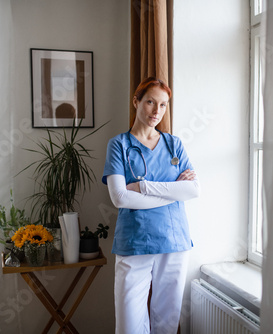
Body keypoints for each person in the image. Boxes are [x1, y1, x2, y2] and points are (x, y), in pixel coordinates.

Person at [102, 77, 200, 334]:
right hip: (135, 243)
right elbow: (120, 198)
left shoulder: (173, 144)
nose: (157, 111)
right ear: (136, 102)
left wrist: (144, 187)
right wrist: (173, 192)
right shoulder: (119, 145)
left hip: (174, 241)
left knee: (166, 324)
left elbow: (192, 190)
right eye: (150, 102)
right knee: (129, 326)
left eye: (163, 105)